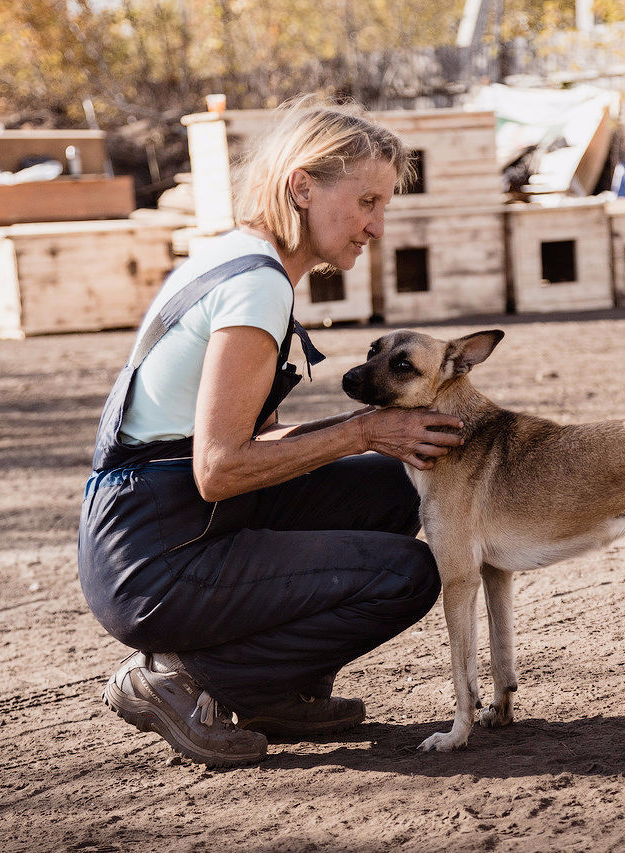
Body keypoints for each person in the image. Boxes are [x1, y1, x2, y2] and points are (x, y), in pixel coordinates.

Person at [78, 100, 464, 767]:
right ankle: (185, 677)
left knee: (397, 485)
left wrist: (380, 437)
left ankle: (272, 693)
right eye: (367, 200)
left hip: (165, 522)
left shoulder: (244, 259)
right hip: (156, 554)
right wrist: (364, 428)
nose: (377, 223)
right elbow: (221, 467)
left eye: (384, 204)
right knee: (408, 574)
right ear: (302, 186)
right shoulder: (258, 286)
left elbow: (248, 443)